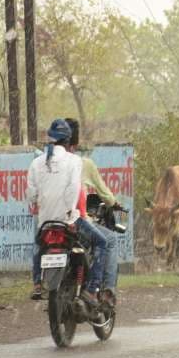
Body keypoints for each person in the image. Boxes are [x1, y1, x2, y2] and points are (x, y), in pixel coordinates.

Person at [27, 119, 108, 304]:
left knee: (39, 244)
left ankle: (37, 283)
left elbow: (31, 194)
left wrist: (39, 204)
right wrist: (70, 215)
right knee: (102, 243)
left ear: (51, 138)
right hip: (70, 220)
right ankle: (92, 289)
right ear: (69, 140)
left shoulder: (36, 163)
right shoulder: (74, 161)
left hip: (46, 222)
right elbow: (73, 189)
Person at [65, 118, 121, 305]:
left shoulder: (45, 163)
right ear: (76, 141)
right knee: (109, 240)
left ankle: (38, 283)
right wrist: (114, 202)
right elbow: (106, 195)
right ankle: (103, 290)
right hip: (76, 220)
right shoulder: (82, 163)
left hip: (50, 221)